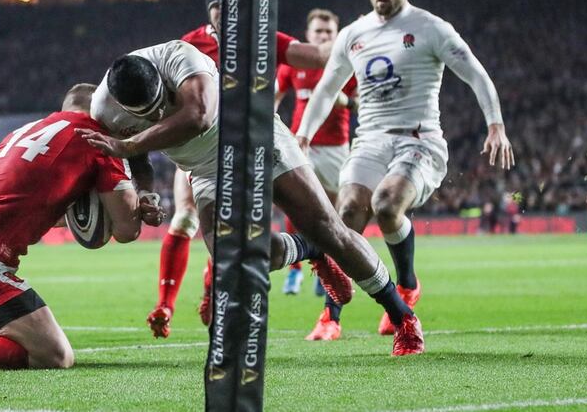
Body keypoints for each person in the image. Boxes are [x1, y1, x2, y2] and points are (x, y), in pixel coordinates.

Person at [80, 36, 425, 355]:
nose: (158, 114)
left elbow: (198, 116)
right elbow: (137, 159)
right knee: (234, 266)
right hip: (206, 170)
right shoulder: (104, 111)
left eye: (163, 102)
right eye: (148, 114)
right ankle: (309, 249)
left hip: (253, 136)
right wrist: (145, 192)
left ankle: (402, 316)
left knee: (329, 227)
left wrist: (127, 144)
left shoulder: (178, 56)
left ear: (160, 77)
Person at [297, 0, 514, 336]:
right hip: (370, 142)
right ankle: (331, 316)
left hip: (419, 140)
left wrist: (494, 124)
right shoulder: (353, 34)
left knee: (385, 205)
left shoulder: (430, 27)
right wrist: (303, 135)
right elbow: (326, 90)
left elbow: (477, 75)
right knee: (346, 214)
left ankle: (407, 285)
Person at [0, 84, 160, 370]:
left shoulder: (24, 131)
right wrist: (142, 201)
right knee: (54, 355)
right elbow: (126, 230)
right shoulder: (95, 138)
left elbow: (40, 209)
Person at [148, 0, 348, 339]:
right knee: (185, 216)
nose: (227, 13)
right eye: (218, 7)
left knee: (243, 226)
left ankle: (218, 282)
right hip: (201, 149)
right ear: (209, 11)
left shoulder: (262, 36)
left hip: (248, 146)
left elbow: (316, 57)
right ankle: (166, 304)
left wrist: (357, 32)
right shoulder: (188, 45)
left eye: (233, 6)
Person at [275, 8, 357, 339]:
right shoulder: (293, 65)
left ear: (336, 34)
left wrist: (345, 100)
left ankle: (331, 296)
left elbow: (362, 102)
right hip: (299, 145)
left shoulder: (348, 63)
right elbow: (275, 96)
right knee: (291, 206)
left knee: (335, 226)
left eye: (328, 31)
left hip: (336, 149)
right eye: (318, 32)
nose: (323, 37)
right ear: (308, 36)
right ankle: (297, 267)